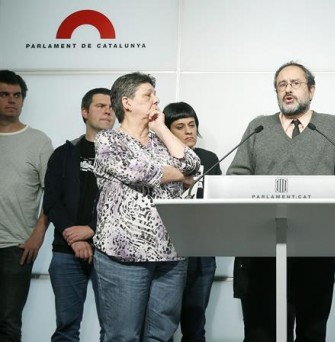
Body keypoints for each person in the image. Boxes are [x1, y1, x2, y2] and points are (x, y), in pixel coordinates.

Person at [227, 61, 335, 342]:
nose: (288, 90)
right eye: (282, 85)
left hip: (316, 245)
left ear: (311, 90)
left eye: (295, 83)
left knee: (312, 330)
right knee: (260, 331)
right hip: (262, 246)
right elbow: (237, 175)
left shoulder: (333, 127)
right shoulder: (259, 127)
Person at [92, 72, 200, 341]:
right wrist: (178, 175)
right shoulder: (109, 140)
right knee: (123, 336)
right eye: (148, 94)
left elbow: (193, 165)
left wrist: (162, 128)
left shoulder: (161, 140)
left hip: (171, 255)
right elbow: (142, 172)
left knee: (161, 335)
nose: (156, 99)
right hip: (124, 257)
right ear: (127, 103)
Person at [43, 88, 115, 341]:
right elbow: (51, 201)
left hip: (109, 252)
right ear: (85, 112)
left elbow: (124, 204)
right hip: (66, 251)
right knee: (66, 327)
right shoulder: (63, 154)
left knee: (114, 329)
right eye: (100, 106)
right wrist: (75, 237)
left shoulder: (124, 157)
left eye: (111, 106)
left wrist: (92, 229)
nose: (108, 110)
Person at [0, 69, 53, 341]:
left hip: (16, 246)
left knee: (8, 324)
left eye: (17, 95)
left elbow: (54, 193)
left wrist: (37, 234)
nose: (11, 100)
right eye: (4, 94)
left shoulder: (39, 141)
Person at [163, 101, 221, 342]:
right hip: (166, 249)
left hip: (201, 250)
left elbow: (218, 204)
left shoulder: (209, 158)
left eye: (192, 125)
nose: (189, 131)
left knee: (195, 325)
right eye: (180, 126)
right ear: (167, 130)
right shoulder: (159, 159)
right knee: (162, 324)